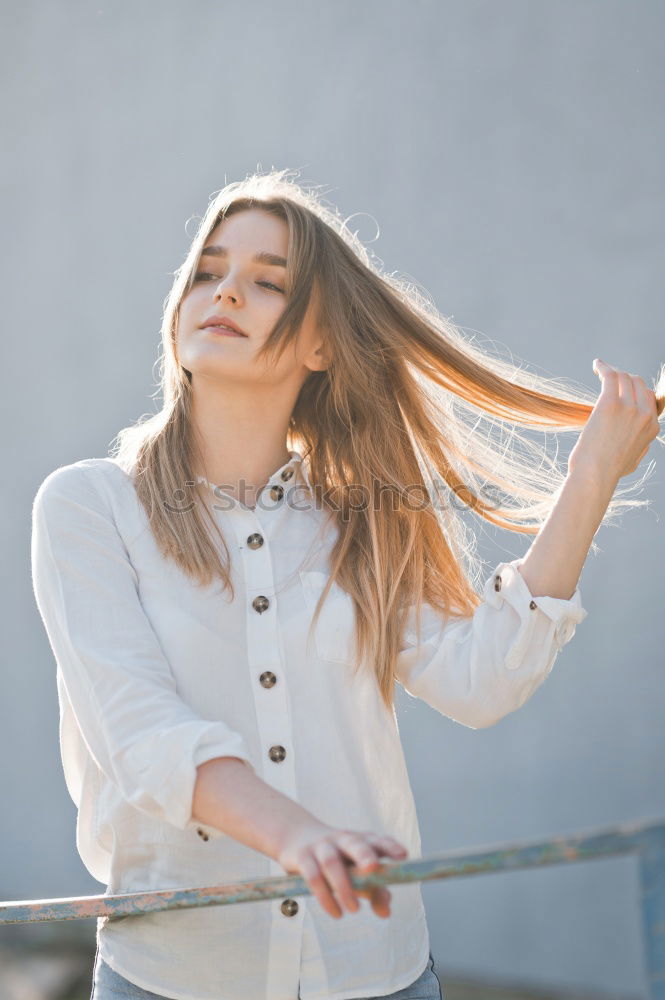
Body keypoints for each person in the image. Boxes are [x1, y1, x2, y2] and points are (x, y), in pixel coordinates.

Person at [30, 169, 664, 1000]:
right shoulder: (88, 505)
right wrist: (298, 835)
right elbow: (142, 734)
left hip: (376, 976)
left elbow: (482, 680)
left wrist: (591, 478)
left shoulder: (357, 518)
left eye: (267, 282)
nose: (224, 293)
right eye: (207, 271)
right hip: (173, 979)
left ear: (320, 344)